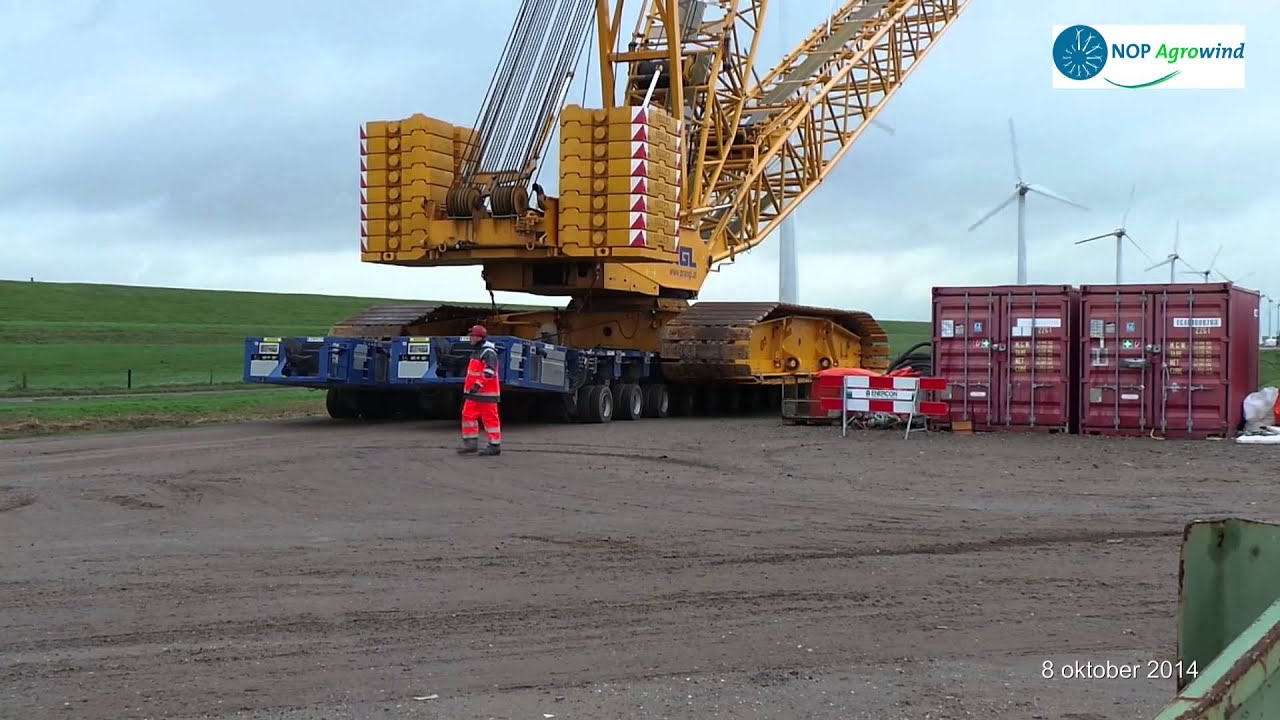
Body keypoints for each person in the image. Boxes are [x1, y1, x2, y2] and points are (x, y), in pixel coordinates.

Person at [458, 324, 502, 456]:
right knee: (468, 415)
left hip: (486, 393)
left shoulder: (488, 352)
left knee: (490, 419)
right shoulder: (478, 351)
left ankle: (494, 445)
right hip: (473, 393)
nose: (470, 338)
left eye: (472, 336)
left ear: (479, 337)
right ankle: (471, 444)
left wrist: (478, 385)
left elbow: (489, 371)